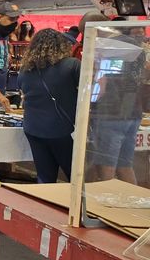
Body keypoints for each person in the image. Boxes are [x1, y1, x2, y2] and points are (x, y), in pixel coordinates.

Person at [88, 18, 148, 184]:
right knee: (125, 165)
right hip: (133, 112)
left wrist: (89, 102)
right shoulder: (137, 49)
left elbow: (102, 83)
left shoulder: (110, 47)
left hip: (111, 112)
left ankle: (104, 198)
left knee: (107, 166)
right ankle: (131, 197)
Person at [18, 29, 80, 183]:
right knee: (76, 177)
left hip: (33, 128)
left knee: (44, 176)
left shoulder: (25, 70)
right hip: (61, 129)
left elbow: (23, 91)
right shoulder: (72, 65)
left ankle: (43, 199)